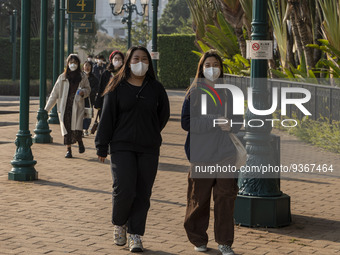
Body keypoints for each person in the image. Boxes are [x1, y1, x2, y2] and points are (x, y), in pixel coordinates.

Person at [95, 46, 170, 252]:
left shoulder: (156, 88)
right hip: (121, 147)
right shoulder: (116, 86)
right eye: (136, 58)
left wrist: (152, 132)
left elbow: (163, 115)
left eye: (144, 59)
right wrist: (101, 145)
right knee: (124, 189)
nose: (140, 63)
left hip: (148, 148)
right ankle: (119, 223)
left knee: (143, 192)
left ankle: (135, 234)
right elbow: (107, 118)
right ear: (128, 62)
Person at [181, 50, 243, 255]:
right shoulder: (194, 92)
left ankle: (225, 242)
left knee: (225, 196)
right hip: (201, 152)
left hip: (225, 151)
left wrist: (231, 124)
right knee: (199, 197)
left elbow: (238, 120)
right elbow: (186, 122)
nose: (212, 68)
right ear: (201, 68)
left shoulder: (229, 92)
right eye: (207, 65)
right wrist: (214, 121)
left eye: (215, 64)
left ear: (221, 68)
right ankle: (198, 237)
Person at [45, 54, 91, 158]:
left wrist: (83, 92)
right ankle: (68, 150)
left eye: (75, 62)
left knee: (77, 128)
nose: (73, 64)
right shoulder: (62, 77)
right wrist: (46, 109)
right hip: (65, 106)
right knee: (67, 129)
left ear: (78, 64)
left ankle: (80, 142)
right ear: (67, 64)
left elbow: (88, 89)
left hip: (77, 106)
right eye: (71, 62)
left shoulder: (82, 76)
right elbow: (54, 94)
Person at [94, 50, 124, 114]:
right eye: (115, 58)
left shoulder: (125, 74)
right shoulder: (106, 73)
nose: (117, 60)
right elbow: (101, 88)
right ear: (111, 60)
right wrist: (98, 102)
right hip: (107, 102)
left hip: (122, 103)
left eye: (119, 59)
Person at [82, 60, 99, 136]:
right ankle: (81, 129)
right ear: (83, 67)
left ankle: (85, 129)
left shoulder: (94, 78)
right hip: (81, 99)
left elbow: (96, 88)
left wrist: (90, 92)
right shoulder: (80, 77)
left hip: (89, 99)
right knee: (80, 114)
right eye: (86, 65)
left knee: (88, 114)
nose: (87, 67)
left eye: (89, 66)